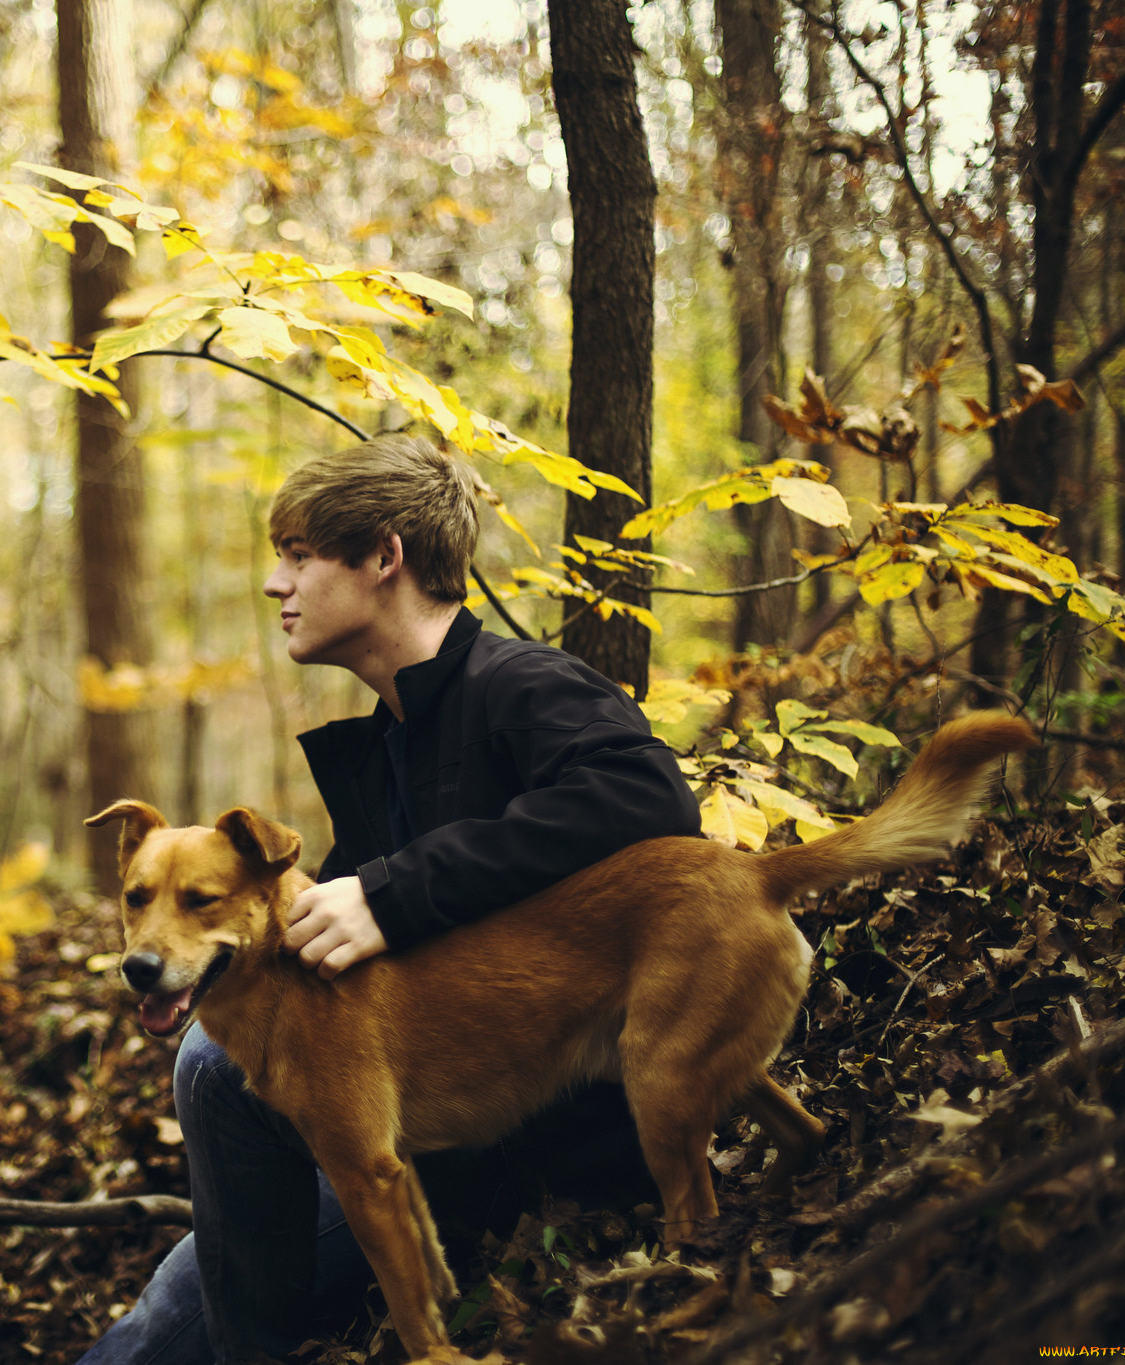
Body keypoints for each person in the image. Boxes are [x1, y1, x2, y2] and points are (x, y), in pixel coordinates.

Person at [81, 433, 702, 1365]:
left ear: (383, 557)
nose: (275, 583)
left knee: (202, 1116)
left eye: (298, 555)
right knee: (164, 1305)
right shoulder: (388, 742)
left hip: (534, 1135)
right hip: (403, 1124)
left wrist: (392, 891)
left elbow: (650, 801)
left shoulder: (521, 684)